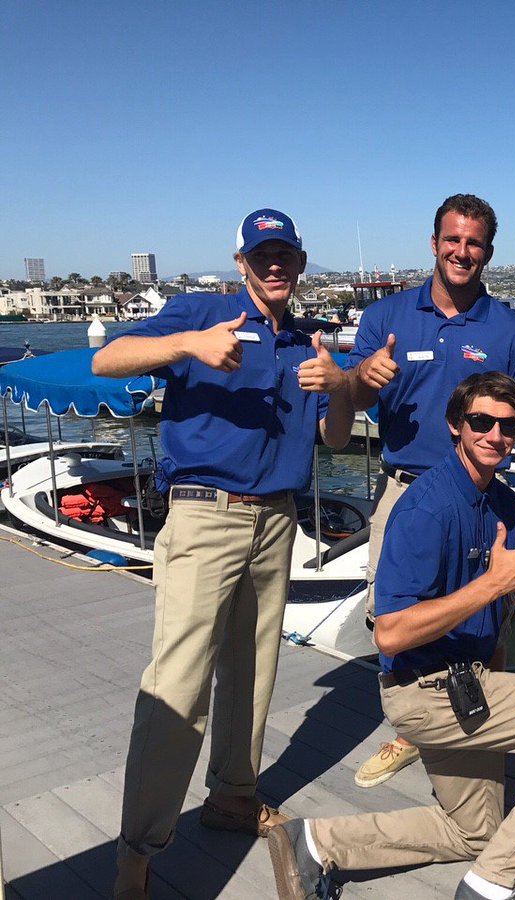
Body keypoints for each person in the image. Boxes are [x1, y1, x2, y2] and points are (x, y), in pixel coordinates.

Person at [268, 372, 515, 900]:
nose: (494, 435)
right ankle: (496, 884)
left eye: (507, 426)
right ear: (455, 427)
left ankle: (318, 842)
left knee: (477, 832)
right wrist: (489, 587)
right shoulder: (425, 509)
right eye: (480, 422)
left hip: (469, 685)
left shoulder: (503, 502)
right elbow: (390, 635)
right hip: (427, 693)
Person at [96, 209, 354, 900]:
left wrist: (341, 391)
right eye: (262, 255)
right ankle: (137, 852)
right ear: (242, 263)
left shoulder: (308, 341)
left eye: (286, 256)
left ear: (300, 265)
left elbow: (333, 438)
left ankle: (233, 796)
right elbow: (105, 359)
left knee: (252, 673)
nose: (275, 266)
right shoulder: (201, 311)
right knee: (178, 686)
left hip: (277, 520)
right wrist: (189, 345)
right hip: (205, 516)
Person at [347, 193, 515, 787]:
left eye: (475, 243)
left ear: (488, 252)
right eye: (453, 240)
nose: (462, 252)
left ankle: (485, 726)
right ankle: (414, 729)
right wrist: (361, 378)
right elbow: (354, 399)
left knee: (491, 614)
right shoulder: (385, 318)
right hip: (405, 491)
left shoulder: (512, 331)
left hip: (484, 499)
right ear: (434, 242)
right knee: (393, 619)